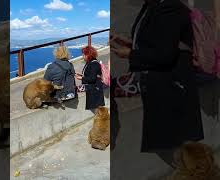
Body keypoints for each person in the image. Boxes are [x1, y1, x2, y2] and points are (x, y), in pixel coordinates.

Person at [112, 0, 204, 168]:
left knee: (181, 149)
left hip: (173, 88)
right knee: (172, 146)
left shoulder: (171, 7)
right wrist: (130, 44)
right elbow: (156, 42)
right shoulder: (151, 6)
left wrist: (131, 54)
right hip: (163, 86)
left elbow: (164, 54)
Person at [75, 46, 105, 113]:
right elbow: (91, 74)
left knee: (98, 111)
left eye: (84, 54)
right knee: (97, 110)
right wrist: (81, 75)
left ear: (88, 55)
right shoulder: (90, 63)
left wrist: (81, 78)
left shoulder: (94, 64)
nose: (83, 56)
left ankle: (101, 122)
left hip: (95, 90)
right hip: (93, 89)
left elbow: (92, 78)